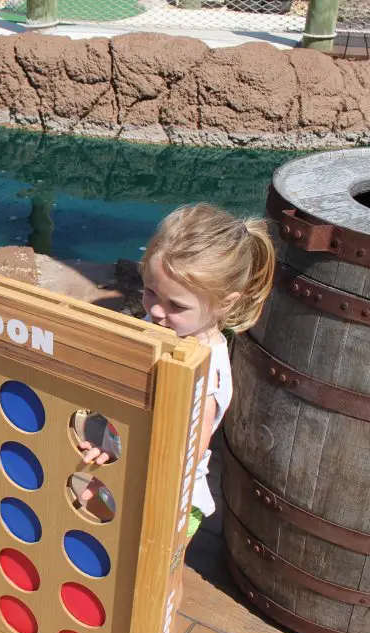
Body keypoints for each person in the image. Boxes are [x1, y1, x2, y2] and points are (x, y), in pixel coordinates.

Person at [74, 203, 275, 540]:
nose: (154, 309)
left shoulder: (203, 372)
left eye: (176, 305)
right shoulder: (164, 325)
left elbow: (179, 457)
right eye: (150, 290)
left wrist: (117, 467)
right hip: (125, 469)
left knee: (153, 585)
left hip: (168, 500)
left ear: (225, 303)